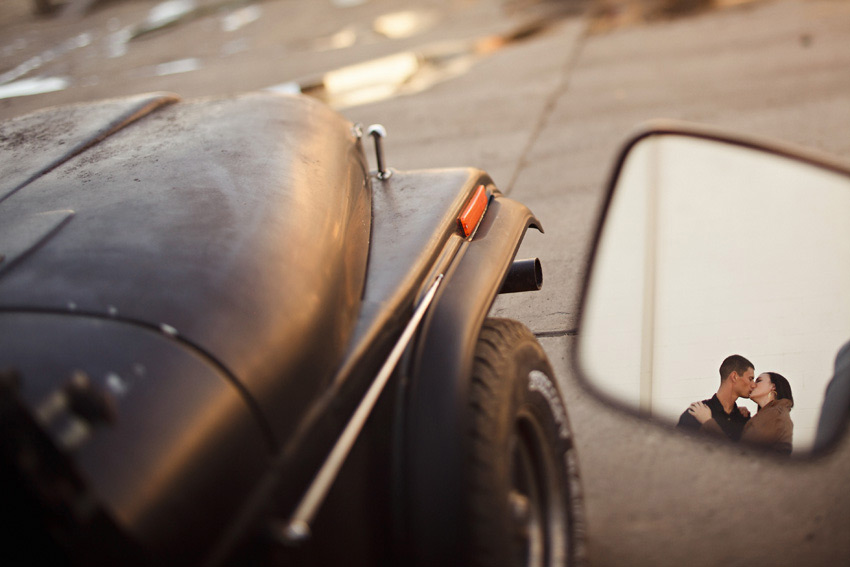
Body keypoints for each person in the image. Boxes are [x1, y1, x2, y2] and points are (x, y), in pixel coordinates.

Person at [690, 372, 794, 455]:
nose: (753, 385)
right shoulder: (771, 414)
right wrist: (747, 421)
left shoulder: (773, 414)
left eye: (758, 381)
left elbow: (739, 454)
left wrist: (707, 421)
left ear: (773, 387)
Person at [676, 354, 754, 441]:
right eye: (750, 379)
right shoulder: (695, 412)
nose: (754, 385)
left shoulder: (743, 418)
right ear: (734, 376)